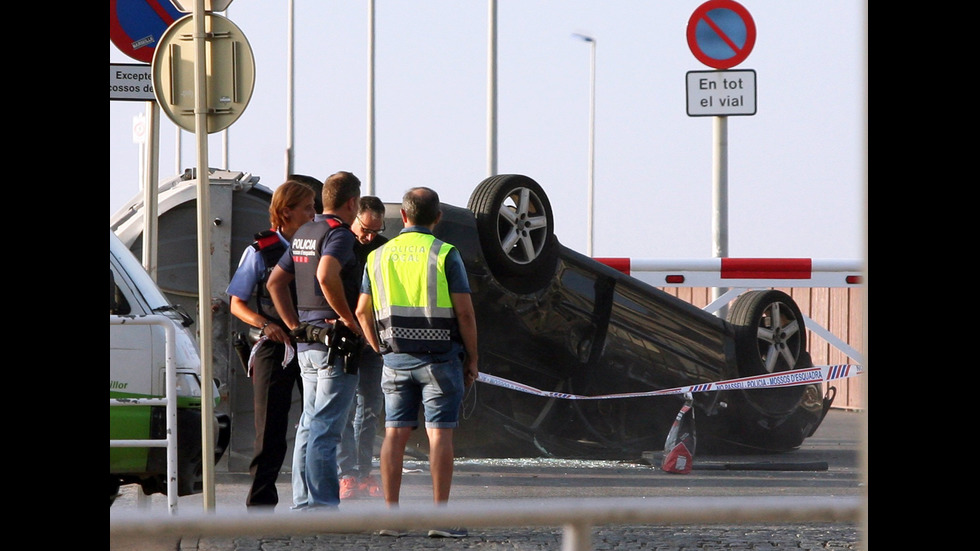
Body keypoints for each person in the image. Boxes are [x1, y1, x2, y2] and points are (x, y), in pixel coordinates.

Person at [355, 187, 479, 538]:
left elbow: (362, 311)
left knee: (394, 433)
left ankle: (390, 519)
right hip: (440, 359)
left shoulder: (378, 255)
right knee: (440, 435)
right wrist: (473, 357)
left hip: (395, 358)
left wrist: (377, 346)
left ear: (404, 217)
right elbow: (465, 313)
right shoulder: (444, 254)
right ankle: (440, 519)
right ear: (437, 218)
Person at [267, 170, 363, 510]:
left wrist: (294, 323)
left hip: (307, 341)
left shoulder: (305, 231)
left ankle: (304, 502)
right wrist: (349, 320)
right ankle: (323, 506)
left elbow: (275, 283)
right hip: (334, 345)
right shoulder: (339, 234)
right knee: (326, 427)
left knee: (308, 424)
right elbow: (326, 274)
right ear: (352, 203)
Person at [225, 180, 317, 509]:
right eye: (307, 207)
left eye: (314, 206)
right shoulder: (259, 251)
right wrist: (265, 324)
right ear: (286, 212)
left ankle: (313, 499)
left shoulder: (317, 246)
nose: (313, 213)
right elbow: (237, 303)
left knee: (317, 422)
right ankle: (261, 504)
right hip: (273, 346)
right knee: (271, 430)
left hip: (312, 344)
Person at [337, 196, 388, 500]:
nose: (368, 237)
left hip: (373, 336)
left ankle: (364, 469)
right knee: (344, 407)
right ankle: (346, 474)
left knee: (370, 406)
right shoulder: (340, 242)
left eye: (374, 231)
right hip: (345, 334)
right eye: (364, 230)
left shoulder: (383, 247)